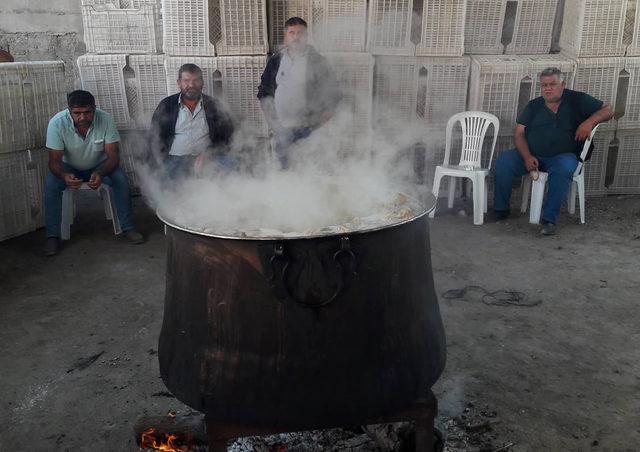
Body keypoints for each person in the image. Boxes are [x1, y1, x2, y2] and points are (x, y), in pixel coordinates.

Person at [492, 67, 613, 235]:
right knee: (505, 160)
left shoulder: (577, 100)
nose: (547, 88)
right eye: (544, 85)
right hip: (533, 155)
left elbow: (608, 110)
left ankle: (549, 220)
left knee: (563, 169)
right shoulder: (534, 106)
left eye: (552, 84)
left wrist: (589, 122)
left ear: (562, 85)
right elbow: (519, 133)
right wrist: (527, 157)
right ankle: (501, 210)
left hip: (563, 156)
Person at [43, 90, 144, 256]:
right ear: (69, 111)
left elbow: (113, 157)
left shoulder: (105, 120)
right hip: (68, 167)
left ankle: (128, 227)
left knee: (120, 179)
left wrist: (99, 172)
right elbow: (54, 161)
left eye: (87, 112)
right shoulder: (57, 123)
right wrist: (64, 175)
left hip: (99, 165)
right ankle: (52, 236)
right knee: (51, 184)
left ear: (94, 109)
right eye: (77, 113)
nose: (82, 118)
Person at [257, 16, 342, 169]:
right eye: (292, 33)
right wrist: (273, 122)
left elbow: (334, 94)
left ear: (306, 36)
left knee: (309, 169)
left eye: (300, 33)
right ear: (286, 36)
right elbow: (264, 92)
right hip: (282, 130)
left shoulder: (318, 61)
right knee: (285, 170)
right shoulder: (275, 61)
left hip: (309, 130)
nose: (296, 37)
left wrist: (318, 124)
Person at [149, 63, 235, 181]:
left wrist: (210, 153)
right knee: (163, 180)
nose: (191, 85)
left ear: (202, 83)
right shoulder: (166, 105)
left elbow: (227, 137)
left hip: (208, 157)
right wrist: (160, 161)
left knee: (232, 165)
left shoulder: (214, 105)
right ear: (179, 83)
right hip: (175, 159)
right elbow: (154, 137)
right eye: (186, 80)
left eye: (196, 80)